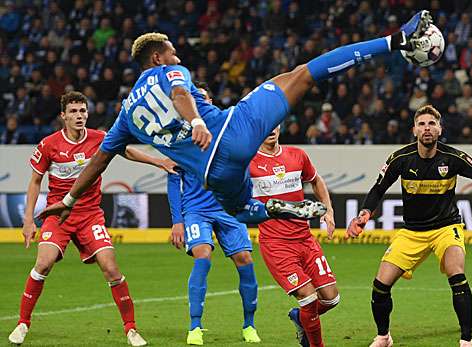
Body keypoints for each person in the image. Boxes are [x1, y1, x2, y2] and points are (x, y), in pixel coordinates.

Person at [38, 11, 434, 226]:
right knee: (303, 73)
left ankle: (276, 209)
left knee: (241, 212)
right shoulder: (167, 72)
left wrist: (69, 198)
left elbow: (99, 161)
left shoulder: (125, 115)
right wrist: (195, 121)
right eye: (173, 53)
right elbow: (179, 94)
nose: (179, 57)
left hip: (216, 176)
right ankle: (395, 40)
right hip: (228, 131)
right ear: (157, 57)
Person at [345, 105, 472, 347]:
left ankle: (466, 341)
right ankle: (383, 337)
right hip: (412, 232)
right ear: (414, 130)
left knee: (457, 274)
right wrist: (365, 213)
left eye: (432, 124)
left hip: (446, 228)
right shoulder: (400, 159)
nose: (427, 128)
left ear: (440, 129)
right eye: (422, 124)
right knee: (380, 285)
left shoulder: (454, 158)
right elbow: (378, 188)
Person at [8, 91, 176, 346]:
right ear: (63, 116)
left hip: (90, 216)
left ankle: (131, 329)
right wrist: (28, 220)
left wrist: (157, 161)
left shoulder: (99, 138)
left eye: (83, 111)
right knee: (43, 263)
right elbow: (34, 181)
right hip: (59, 215)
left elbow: (125, 151)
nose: (79, 116)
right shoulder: (49, 144)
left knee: (111, 268)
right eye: (73, 112)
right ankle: (22, 323)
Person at [167, 84, 260, 345]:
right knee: (203, 256)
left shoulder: (226, 130)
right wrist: (177, 220)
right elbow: (174, 180)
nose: (197, 101)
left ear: (209, 102)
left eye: (202, 98)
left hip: (228, 208)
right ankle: (195, 327)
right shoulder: (179, 139)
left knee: (244, 259)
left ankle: (249, 325)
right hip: (197, 210)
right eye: (193, 98)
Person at [249, 126, 338, 347]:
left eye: (275, 123)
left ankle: (300, 318)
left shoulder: (297, 155)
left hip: (305, 239)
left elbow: (316, 180)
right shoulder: (247, 162)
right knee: (308, 297)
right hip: (276, 244)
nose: (270, 129)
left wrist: (328, 210)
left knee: (331, 298)